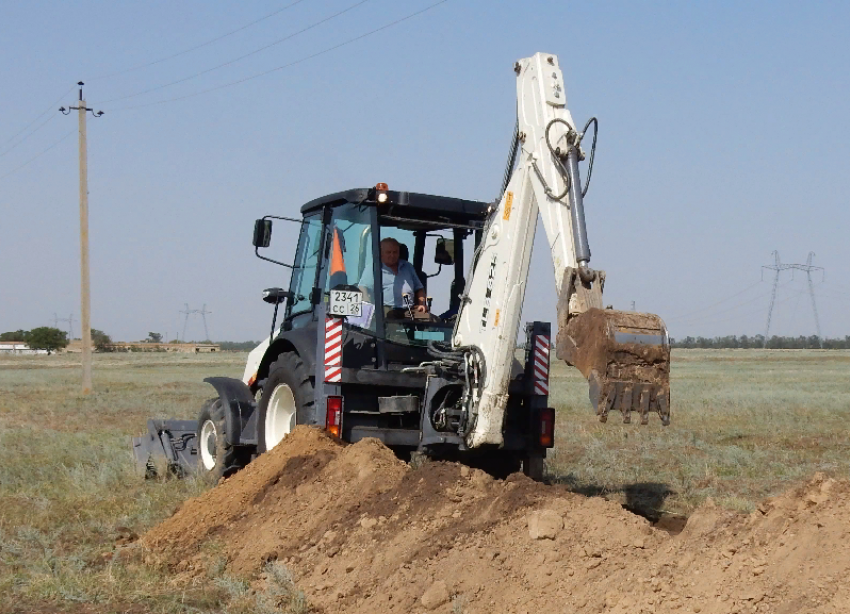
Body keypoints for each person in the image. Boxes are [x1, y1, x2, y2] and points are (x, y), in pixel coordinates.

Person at [360, 237, 428, 315]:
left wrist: (422, 304)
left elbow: (419, 288)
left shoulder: (408, 267)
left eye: (395, 252)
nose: (392, 255)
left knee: (433, 321)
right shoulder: (373, 268)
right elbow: (363, 289)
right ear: (381, 254)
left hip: (409, 310)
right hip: (385, 311)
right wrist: (369, 311)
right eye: (389, 252)